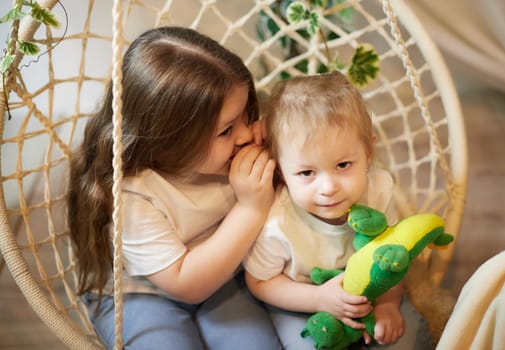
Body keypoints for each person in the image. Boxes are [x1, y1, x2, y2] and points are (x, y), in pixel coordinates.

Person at [67, 26, 282, 349]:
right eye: (225, 130)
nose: (244, 135)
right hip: (142, 293)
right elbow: (187, 283)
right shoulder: (132, 194)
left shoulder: (241, 147)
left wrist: (283, 142)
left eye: (245, 114)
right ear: (163, 145)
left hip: (227, 275)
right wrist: (252, 207)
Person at [243, 71, 433, 349]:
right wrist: (318, 299)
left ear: (369, 152)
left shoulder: (379, 190)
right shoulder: (278, 220)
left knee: (409, 338)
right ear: (281, 171)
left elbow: (392, 253)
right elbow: (261, 281)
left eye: (343, 165)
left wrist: (389, 305)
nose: (328, 187)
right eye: (307, 172)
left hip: (370, 291)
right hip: (302, 299)